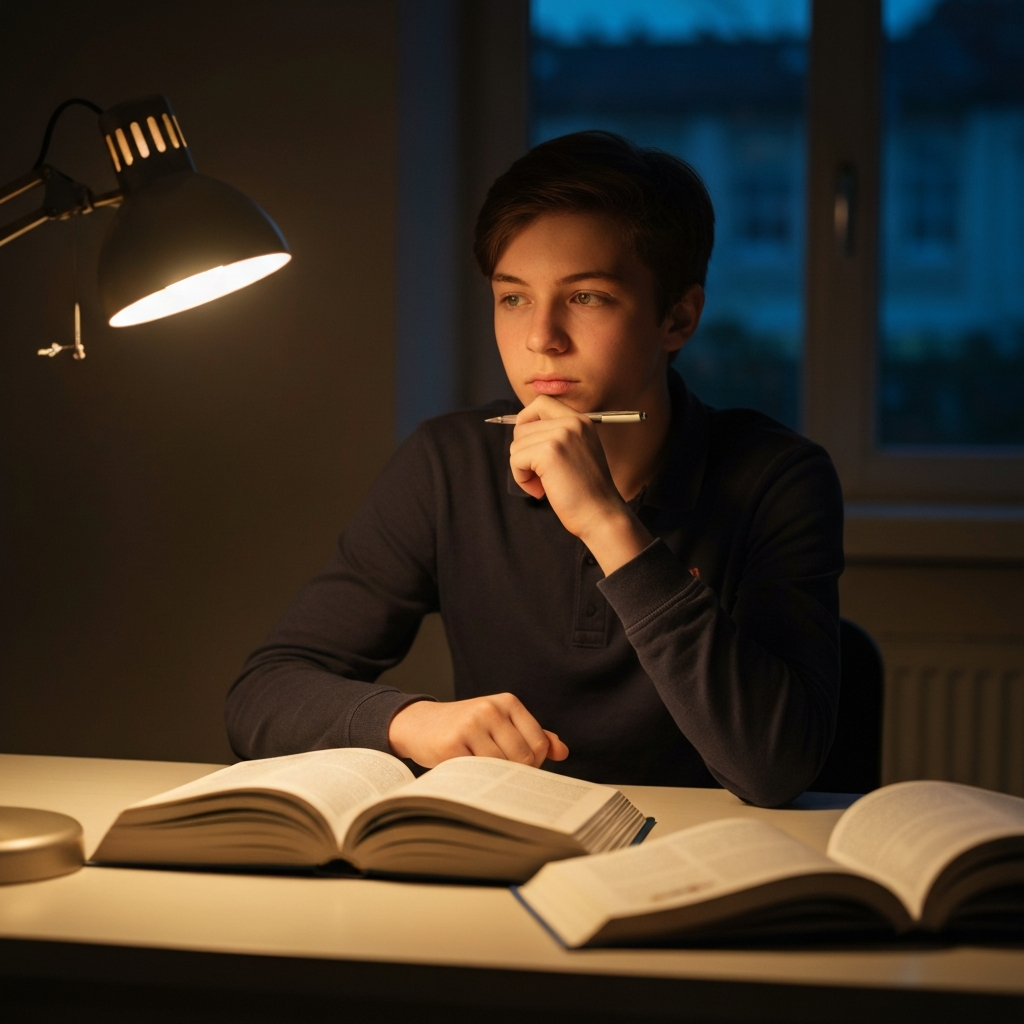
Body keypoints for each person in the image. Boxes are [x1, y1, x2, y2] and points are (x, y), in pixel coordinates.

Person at [226, 131, 843, 807]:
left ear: (678, 317)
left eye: (586, 297)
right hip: (508, 856)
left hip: (702, 864)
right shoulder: (449, 462)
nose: (539, 337)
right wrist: (411, 722)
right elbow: (264, 692)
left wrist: (608, 524)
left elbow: (776, 767)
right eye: (513, 297)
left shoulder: (779, 479)